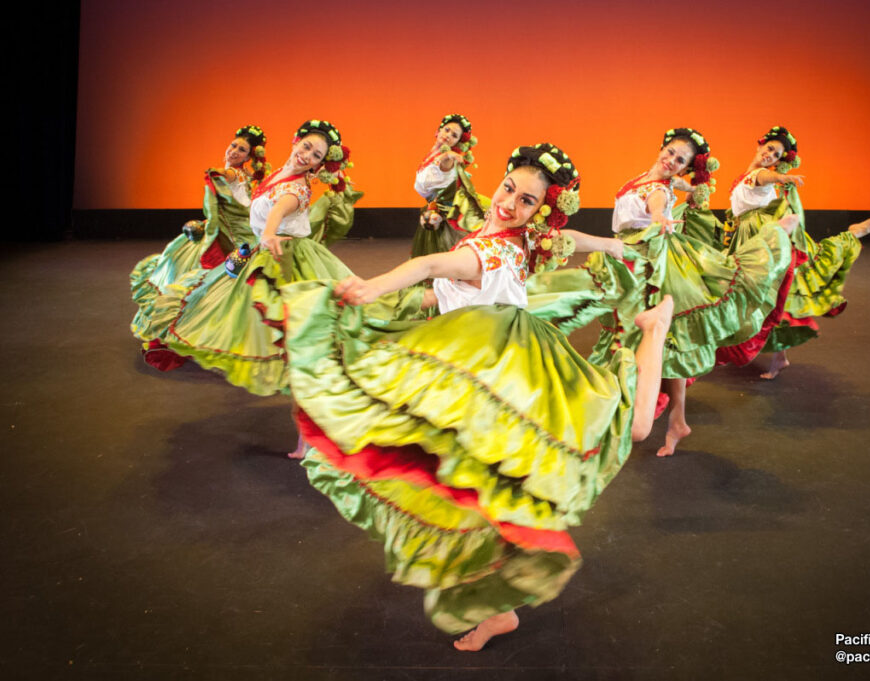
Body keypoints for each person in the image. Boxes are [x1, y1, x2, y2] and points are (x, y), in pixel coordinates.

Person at [280, 143, 673, 650]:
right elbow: (535, 250)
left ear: (539, 209)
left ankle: (654, 330)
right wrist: (611, 246)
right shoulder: (516, 238)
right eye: (510, 188)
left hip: (507, 374)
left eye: (527, 201)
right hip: (494, 372)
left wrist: (374, 287)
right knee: (490, 492)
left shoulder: (486, 249)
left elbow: (429, 268)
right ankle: (500, 607)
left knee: (619, 433)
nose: (510, 202)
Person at [590, 128, 796, 456]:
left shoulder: (657, 188)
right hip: (633, 256)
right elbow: (676, 186)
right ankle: (674, 419)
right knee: (666, 342)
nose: (671, 161)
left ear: (685, 165)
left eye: (680, 160)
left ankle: (640, 414)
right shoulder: (654, 178)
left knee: (648, 338)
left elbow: (657, 204)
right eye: (670, 153)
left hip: (650, 259)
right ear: (662, 148)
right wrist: (691, 186)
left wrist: (661, 215)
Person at [138, 119, 362, 397]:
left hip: (284, 253)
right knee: (238, 303)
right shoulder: (280, 173)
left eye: (316, 155)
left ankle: (287, 363)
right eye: (306, 146)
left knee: (279, 311)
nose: (307, 155)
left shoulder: (298, 188)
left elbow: (280, 209)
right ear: (296, 141)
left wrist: (268, 232)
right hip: (262, 248)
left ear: (319, 165)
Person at [725, 126, 870, 379]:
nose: (771, 155)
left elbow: (765, 177)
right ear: (760, 145)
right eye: (770, 148)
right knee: (773, 296)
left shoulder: (761, 175)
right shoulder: (748, 173)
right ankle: (778, 356)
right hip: (751, 236)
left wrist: (783, 178)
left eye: (776, 155)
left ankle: (851, 236)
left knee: (771, 295)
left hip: (763, 237)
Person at [130, 124, 269, 369]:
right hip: (230, 236)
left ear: (249, 157)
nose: (234, 151)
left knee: (221, 286)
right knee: (207, 282)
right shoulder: (242, 174)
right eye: (233, 145)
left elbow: (227, 179)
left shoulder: (235, 174)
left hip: (239, 244)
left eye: (242, 150)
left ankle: (215, 337)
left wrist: (216, 172)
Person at [412, 113, 486, 258]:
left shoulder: (446, 159)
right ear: (438, 130)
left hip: (446, 214)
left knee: (444, 254)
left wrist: (448, 155)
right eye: (446, 130)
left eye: (454, 135)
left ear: (457, 141)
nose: (448, 135)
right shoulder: (433, 153)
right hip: (434, 209)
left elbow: (446, 161)